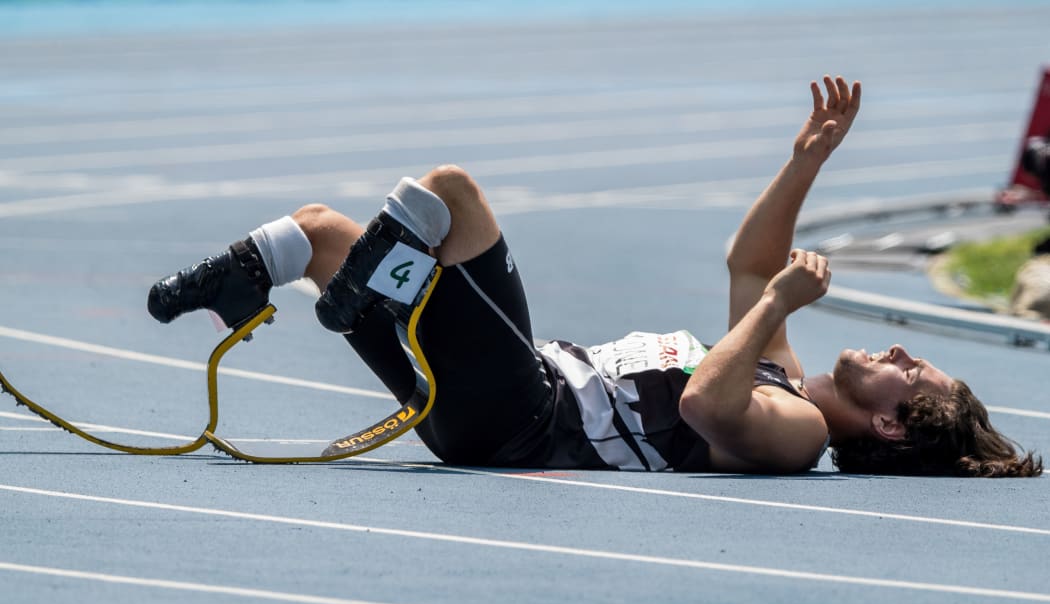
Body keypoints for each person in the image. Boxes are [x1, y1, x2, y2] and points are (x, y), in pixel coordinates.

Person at [148, 75, 1042, 477]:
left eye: (912, 368)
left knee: (454, 195)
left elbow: (702, 406)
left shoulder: (802, 434)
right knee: (322, 231)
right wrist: (806, 162)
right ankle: (276, 284)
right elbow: (749, 262)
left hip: (524, 418)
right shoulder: (782, 383)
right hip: (508, 396)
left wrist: (777, 302)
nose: (899, 348)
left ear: (886, 424)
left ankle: (361, 297)